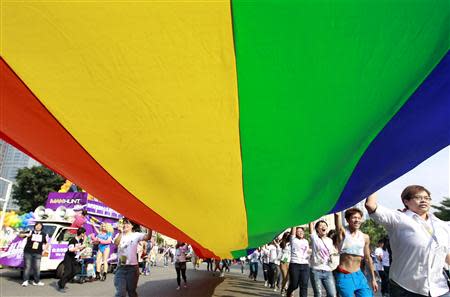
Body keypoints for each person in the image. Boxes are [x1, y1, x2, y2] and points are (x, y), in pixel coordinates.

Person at [366, 186, 450, 297]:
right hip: (406, 288)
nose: (424, 200)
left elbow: (446, 254)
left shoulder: (441, 225)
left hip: (439, 288)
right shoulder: (398, 219)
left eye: (427, 198)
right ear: (406, 201)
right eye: (418, 197)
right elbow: (370, 205)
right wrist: (375, 180)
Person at [334, 209, 378, 297]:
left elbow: (368, 258)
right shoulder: (343, 233)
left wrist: (373, 279)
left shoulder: (365, 237)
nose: (357, 220)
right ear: (347, 220)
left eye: (359, 218)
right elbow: (337, 220)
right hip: (344, 276)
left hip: (359, 275)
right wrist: (337, 209)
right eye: (354, 217)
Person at [113, 218, 152, 297]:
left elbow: (148, 237)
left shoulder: (136, 235)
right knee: (120, 293)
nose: (125, 225)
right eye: (124, 223)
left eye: (127, 223)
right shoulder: (119, 235)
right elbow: (116, 243)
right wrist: (121, 232)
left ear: (132, 226)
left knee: (132, 292)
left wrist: (150, 228)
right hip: (121, 267)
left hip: (132, 268)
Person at [308, 220, 337, 297]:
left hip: (327, 270)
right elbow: (311, 227)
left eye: (324, 225)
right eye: (320, 225)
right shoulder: (315, 238)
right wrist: (311, 217)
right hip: (315, 270)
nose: (323, 226)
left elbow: (331, 253)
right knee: (318, 294)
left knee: (332, 294)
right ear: (317, 229)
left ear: (327, 227)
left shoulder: (330, 240)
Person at [58, 227, 86, 291]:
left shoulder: (81, 240)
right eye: (84, 233)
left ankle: (61, 282)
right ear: (81, 234)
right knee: (68, 271)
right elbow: (70, 249)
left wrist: (83, 248)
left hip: (75, 257)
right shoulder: (72, 240)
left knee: (75, 271)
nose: (84, 234)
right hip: (69, 257)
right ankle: (61, 286)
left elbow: (79, 249)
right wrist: (79, 247)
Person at [20, 222, 48, 287]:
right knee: (27, 267)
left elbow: (47, 243)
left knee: (37, 268)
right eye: (37, 225)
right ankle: (25, 281)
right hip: (28, 252)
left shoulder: (44, 234)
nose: (38, 227)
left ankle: (36, 281)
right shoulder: (30, 232)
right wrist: (26, 235)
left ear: (42, 227)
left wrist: (44, 250)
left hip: (38, 253)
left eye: (40, 226)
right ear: (35, 226)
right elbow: (20, 235)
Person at [286, 226, 310, 297]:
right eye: (298, 231)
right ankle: (289, 291)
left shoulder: (306, 241)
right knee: (294, 284)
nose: (301, 232)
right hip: (295, 265)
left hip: (305, 265)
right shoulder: (293, 239)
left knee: (304, 285)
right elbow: (293, 227)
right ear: (295, 233)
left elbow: (307, 251)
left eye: (302, 231)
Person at [279, 232, 291, 296]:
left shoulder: (292, 243)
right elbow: (279, 253)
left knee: (289, 278)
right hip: (283, 262)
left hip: (291, 262)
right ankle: (283, 289)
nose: (287, 236)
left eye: (289, 235)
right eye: (286, 235)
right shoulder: (282, 243)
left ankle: (287, 289)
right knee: (285, 277)